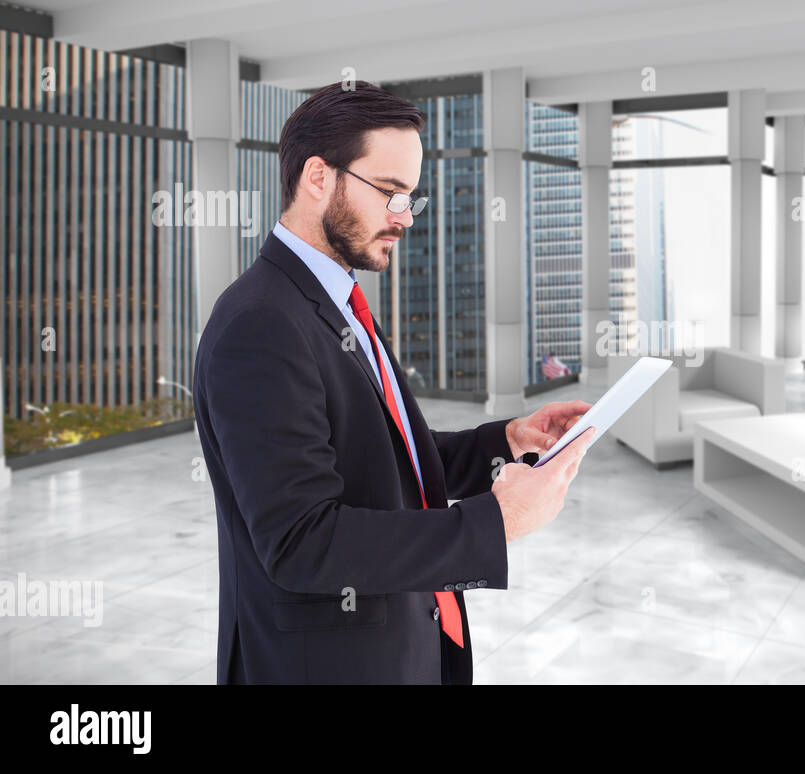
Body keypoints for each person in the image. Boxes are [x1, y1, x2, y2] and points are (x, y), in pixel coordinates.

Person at [193, 80, 593, 684]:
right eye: (389, 193)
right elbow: (303, 541)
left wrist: (508, 439)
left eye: (411, 198)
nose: (403, 217)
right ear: (318, 177)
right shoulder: (261, 324)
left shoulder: (333, 298)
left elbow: (386, 458)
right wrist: (497, 522)